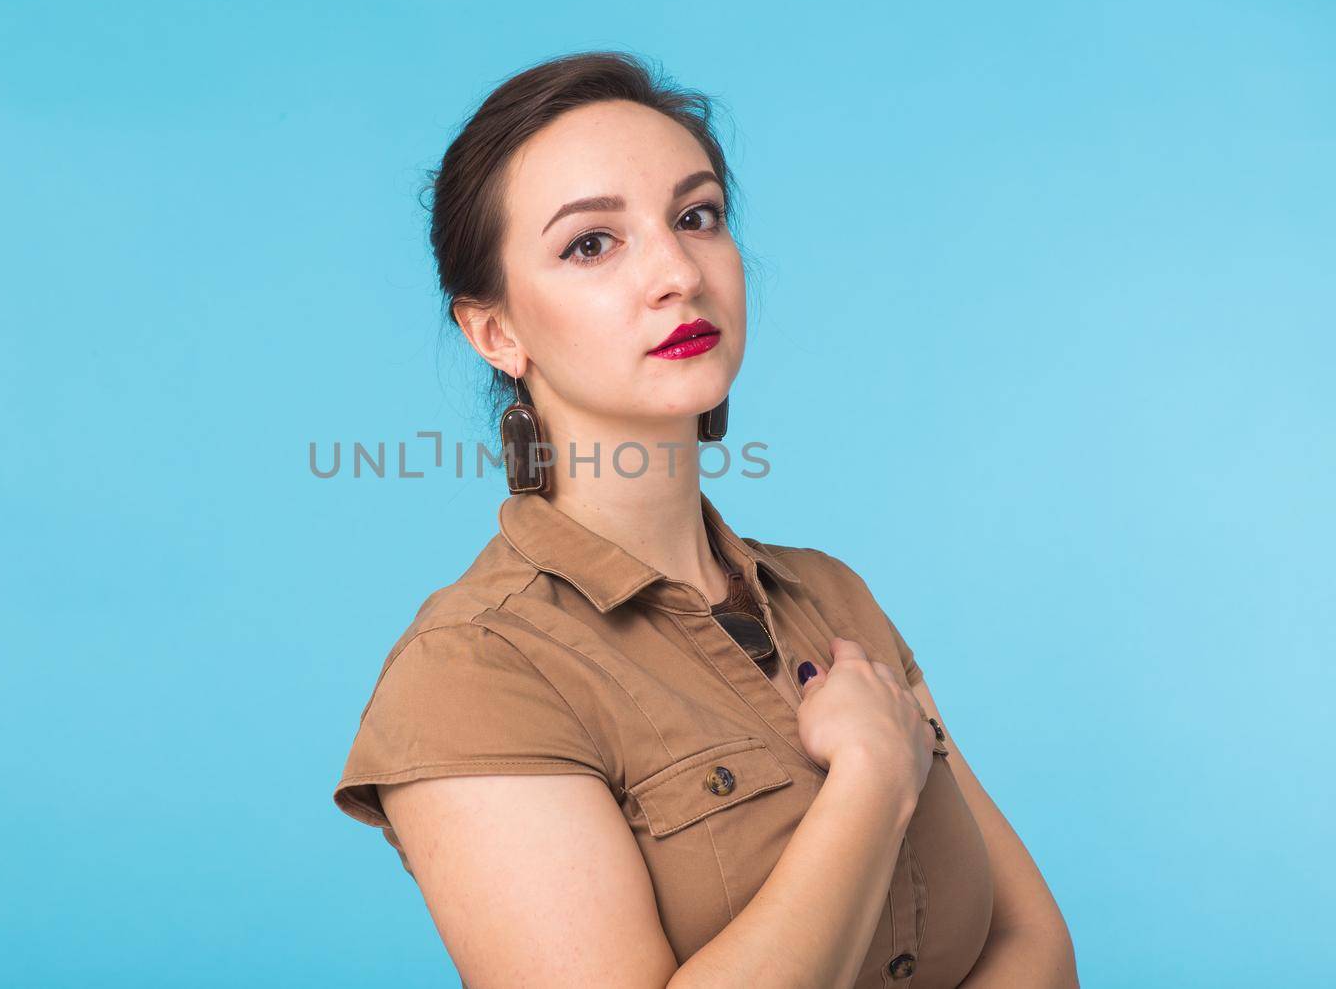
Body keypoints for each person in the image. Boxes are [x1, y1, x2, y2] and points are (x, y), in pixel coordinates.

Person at [332, 51, 1077, 988]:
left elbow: (1034, 950)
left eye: (697, 217)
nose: (679, 272)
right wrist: (873, 781)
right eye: (592, 243)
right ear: (496, 333)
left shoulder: (832, 595)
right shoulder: (472, 670)